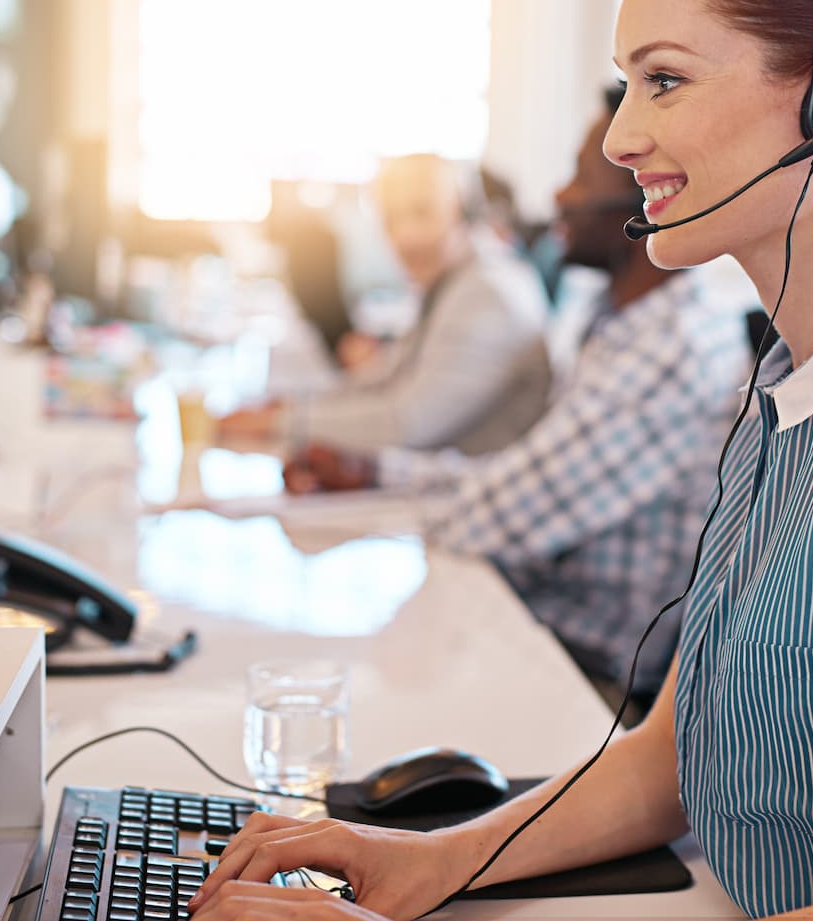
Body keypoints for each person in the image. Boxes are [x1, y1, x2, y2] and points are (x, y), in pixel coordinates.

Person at [188, 0, 813, 919]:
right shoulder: (798, 386)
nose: (619, 140)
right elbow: (668, 755)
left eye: (663, 81)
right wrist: (429, 860)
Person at [280, 87, 750, 707]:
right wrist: (373, 470)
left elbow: (500, 516)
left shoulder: (667, 350)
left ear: (652, 194)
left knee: (346, 686)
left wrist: (385, 482)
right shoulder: (613, 318)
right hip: (543, 626)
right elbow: (520, 478)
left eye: (579, 178)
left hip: (595, 682)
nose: (558, 197)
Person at [217, 153, 551, 456]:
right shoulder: (455, 281)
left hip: (463, 499)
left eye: (423, 212)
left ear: (465, 213)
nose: (406, 237)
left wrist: (282, 422)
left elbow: (407, 423)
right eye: (391, 219)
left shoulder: (489, 294)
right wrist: (287, 407)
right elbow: (387, 379)